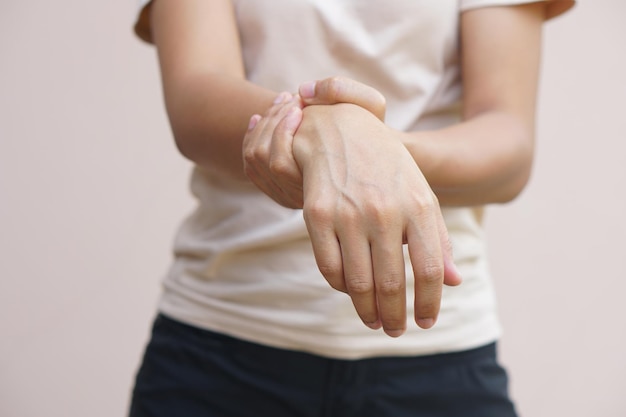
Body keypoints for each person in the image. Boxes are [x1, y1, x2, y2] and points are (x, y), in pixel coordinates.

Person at [129, 1, 574, 416]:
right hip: (218, 347)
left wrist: (370, 149)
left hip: (439, 360)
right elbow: (194, 97)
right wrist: (326, 134)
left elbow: (508, 142)